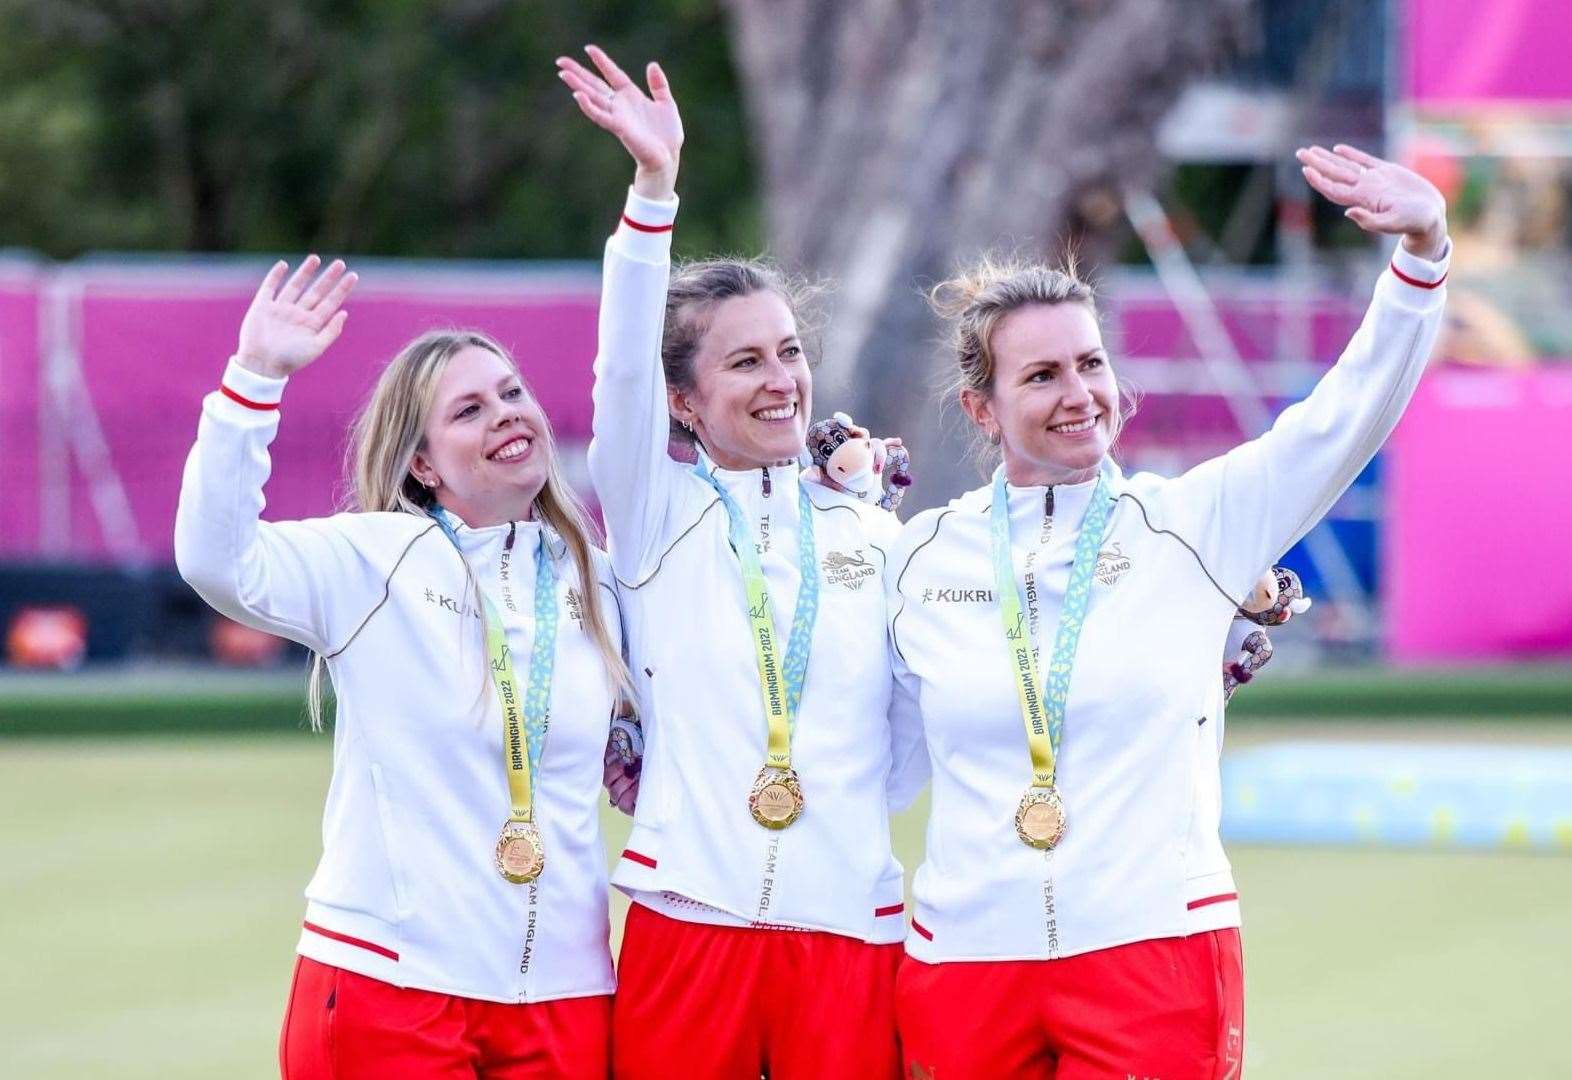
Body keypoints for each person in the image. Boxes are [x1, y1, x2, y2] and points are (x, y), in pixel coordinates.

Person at [886, 144, 1450, 1079]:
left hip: (1153, 953)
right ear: (979, 409)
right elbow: (866, 752)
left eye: (1090, 363)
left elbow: (1342, 418)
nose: (1079, 396)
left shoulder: (1194, 522)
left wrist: (1422, 257)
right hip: (964, 963)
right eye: (1040, 377)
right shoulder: (919, 557)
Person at [556, 46, 925, 1080]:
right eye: (747, 360)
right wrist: (654, 194)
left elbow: (911, 732)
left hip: (853, 926)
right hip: (691, 921)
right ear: (684, 400)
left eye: (791, 352)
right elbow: (619, 365)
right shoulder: (653, 505)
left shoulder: (875, 536)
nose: (781, 381)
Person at [175, 257, 629, 1079]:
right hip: (392, 984)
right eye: (469, 409)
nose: (504, 414)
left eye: (511, 393)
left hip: (566, 993)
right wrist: (254, 381)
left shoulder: (595, 576)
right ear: (424, 464)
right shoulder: (374, 561)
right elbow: (216, 559)